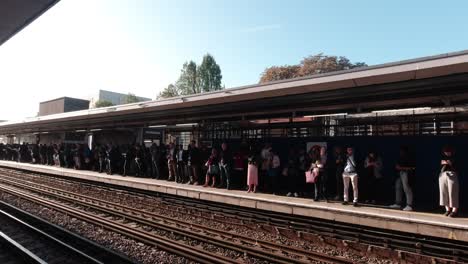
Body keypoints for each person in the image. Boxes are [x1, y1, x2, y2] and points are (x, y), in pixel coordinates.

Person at [390, 146, 415, 211]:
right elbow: (397, 166)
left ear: (405, 151)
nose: (401, 152)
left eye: (402, 151)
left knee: (407, 188)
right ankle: (398, 203)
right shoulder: (400, 157)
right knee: (398, 187)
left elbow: (412, 168)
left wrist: (401, 168)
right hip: (400, 174)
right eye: (400, 151)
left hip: (406, 174)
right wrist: (398, 168)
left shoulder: (410, 158)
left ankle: (409, 205)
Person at [439, 146, 459, 217]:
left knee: (453, 192)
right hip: (443, 174)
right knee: (444, 192)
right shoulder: (442, 157)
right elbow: (441, 164)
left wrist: (449, 163)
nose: (446, 153)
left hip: (452, 174)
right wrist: (445, 162)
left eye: (448, 151)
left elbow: (455, 167)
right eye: (445, 151)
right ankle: (447, 210)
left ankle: (454, 211)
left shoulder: (455, 158)